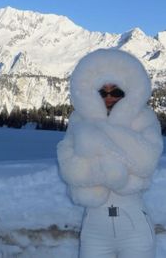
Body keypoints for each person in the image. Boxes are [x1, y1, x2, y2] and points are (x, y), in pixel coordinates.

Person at [57, 48, 163, 258]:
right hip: (94, 230)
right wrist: (114, 171)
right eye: (102, 92)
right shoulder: (79, 120)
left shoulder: (145, 118)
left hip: (135, 229)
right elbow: (70, 170)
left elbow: (146, 162)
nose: (109, 98)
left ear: (128, 91)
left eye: (116, 91)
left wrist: (95, 139)